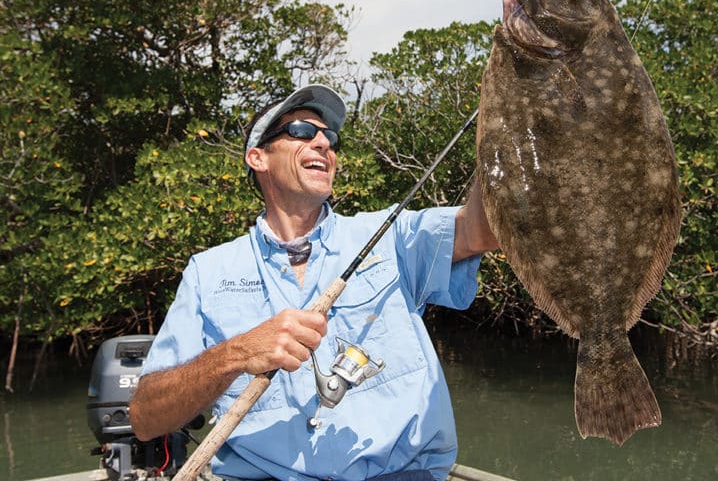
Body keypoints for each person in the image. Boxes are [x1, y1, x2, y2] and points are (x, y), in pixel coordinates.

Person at [129, 83, 498, 481]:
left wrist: (502, 122)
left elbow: (487, 229)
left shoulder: (392, 236)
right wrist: (237, 353)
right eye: (303, 132)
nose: (323, 142)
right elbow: (146, 418)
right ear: (258, 158)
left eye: (330, 137)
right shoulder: (207, 272)